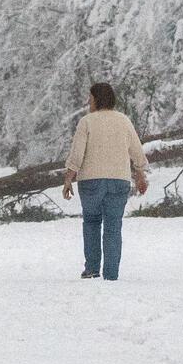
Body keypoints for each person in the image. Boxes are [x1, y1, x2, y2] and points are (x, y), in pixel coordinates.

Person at [61, 82, 149, 280]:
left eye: (90, 98)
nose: (88, 102)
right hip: (119, 180)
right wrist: (140, 174)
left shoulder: (86, 122)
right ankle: (111, 274)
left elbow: (77, 154)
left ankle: (92, 269)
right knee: (113, 225)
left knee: (91, 222)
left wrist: (68, 179)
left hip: (90, 181)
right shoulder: (124, 121)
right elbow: (137, 150)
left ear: (97, 99)